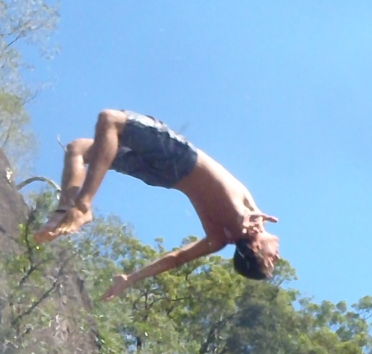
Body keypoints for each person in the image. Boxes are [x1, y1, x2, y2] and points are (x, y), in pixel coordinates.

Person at [34, 109, 280, 300]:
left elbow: (241, 214)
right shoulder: (226, 234)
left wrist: (250, 218)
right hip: (163, 177)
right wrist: (130, 279)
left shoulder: (245, 220)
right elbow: (175, 259)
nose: (277, 254)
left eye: (273, 259)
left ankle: (82, 207)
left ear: (258, 250)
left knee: (110, 119)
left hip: (177, 156)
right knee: (78, 149)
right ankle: (64, 211)